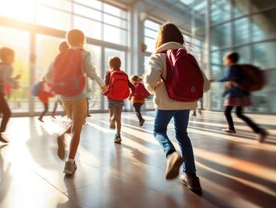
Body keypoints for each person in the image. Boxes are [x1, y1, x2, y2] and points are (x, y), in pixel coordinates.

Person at [144, 22, 210, 195]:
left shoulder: (157, 56)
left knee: (158, 131)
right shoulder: (188, 58)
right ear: (180, 38)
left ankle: (171, 153)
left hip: (166, 103)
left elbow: (150, 81)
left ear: (160, 38)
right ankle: (191, 177)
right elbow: (206, 85)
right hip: (186, 103)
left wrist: (156, 87)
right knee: (182, 134)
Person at [45, 29, 107, 175]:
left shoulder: (60, 56)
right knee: (77, 128)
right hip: (79, 95)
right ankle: (70, 162)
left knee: (77, 123)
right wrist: (103, 85)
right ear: (82, 40)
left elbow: (48, 76)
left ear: (68, 40)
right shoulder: (84, 53)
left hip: (64, 96)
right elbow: (92, 73)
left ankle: (63, 138)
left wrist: (61, 85)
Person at [211, 52, 269, 142]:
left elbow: (229, 78)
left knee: (228, 111)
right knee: (238, 113)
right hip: (241, 94)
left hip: (235, 94)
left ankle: (257, 130)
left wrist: (216, 79)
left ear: (229, 60)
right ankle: (258, 130)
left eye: (225, 60)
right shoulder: (239, 68)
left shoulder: (232, 68)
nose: (225, 62)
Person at [104, 56, 135, 143]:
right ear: (120, 65)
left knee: (111, 116)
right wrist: (130, 95)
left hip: (111, 98)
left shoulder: (109, 73)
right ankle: (118, 136)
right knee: (119, 118)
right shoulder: (124, 74)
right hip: (121, 99)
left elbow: (105, 86)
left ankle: (112, 117)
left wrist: (105, 93)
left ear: (110, 65)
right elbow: (133, 87)